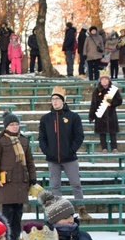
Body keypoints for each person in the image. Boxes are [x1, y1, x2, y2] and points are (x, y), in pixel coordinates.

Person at [38, 86, 91, 220]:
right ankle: (59, 211)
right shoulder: (45, 119)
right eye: (53, 99)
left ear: (63, 101)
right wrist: (48, 152)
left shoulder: (73, 117)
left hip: (70, 159)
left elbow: (79, 136)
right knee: (55, 187)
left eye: (57, 99)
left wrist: (70, 150)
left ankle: (81, 208)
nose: (54, 101)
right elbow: (42, 138)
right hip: (53, 159)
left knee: (76, 184)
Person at [0, 111, 36, 240]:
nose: (15, 127)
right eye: (12, 124)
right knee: (7, 214)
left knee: (18, 214)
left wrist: (33, 178)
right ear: (6, 126)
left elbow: (30, 161)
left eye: (16, 124)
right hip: (6, 183)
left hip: (22, 182)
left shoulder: (24, 140)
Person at [88, 71, 122, 153]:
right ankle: (104, 148)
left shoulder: (113, 90)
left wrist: (112, 103)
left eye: (106, 79)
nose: (104, 81)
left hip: (111, 114)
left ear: (108, 80)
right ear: (100, 80)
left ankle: (114, 147)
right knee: (102, 132)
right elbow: (93, 104)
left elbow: (119, 100)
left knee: (112, 132)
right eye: (102, 79)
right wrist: (91, 116)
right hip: (100, 114)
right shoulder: (96, 91)